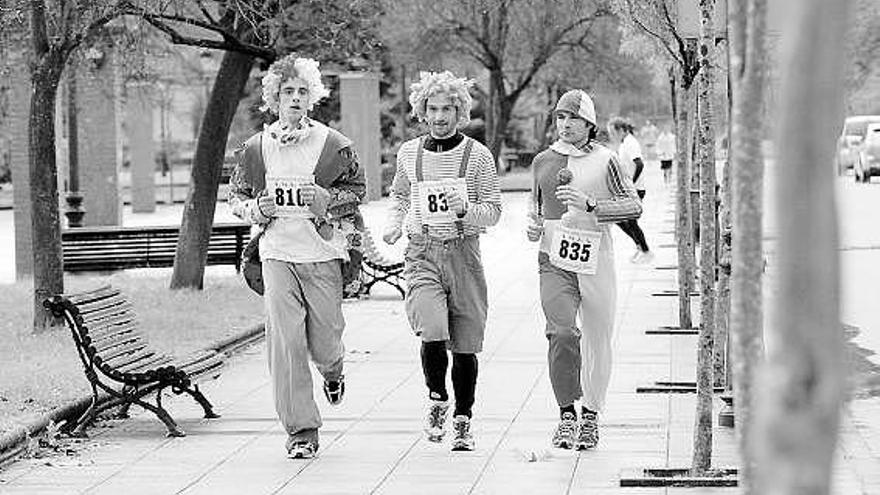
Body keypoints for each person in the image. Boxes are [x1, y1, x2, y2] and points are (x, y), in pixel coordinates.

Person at [228, 54, 366, 459]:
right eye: (287, 91)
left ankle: (333, 370)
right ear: (274, 98)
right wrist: (259, 209)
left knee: (324, 342)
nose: (294, 98)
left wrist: (324, 199)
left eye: (302, 91)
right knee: (286, 345)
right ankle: (302, 429)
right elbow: (236, 197)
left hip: (322, 255)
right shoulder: (257, 148)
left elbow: (357, 191)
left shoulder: (334, 145)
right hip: (277, 255)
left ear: (312, 98)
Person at [383, 71, 502, 452]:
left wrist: (467, 209)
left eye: (447, 109)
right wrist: (393, 225)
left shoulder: (478, 156)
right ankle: (437, 398)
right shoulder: (409, 153)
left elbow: (494, 211)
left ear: (459, 111)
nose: (439, 117)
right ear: (422, 110)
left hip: (464, 253)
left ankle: (463, 419)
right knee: (432, 328)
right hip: (422, 253)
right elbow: (400, 196)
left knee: (466, 344)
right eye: (432, 109)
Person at [526, 90, 642, 450]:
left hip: (595, 261)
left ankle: (591, 414)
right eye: (560, 118)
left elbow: (633, 205)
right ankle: (566, 415)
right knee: (561, 333)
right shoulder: (542, 161)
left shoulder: (607, 159)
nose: (565, 125)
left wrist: (592, 205)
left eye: (573, 119)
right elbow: (535, 206)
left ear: (589, 124)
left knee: (597, 340)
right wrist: (533, 227)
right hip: (553, 261)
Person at [608, 117, 653, 264]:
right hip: (628, 189)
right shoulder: (624, 143)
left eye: (613, 132)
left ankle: (645, 251)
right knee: (620, 218)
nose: (611, 136)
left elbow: (639, 164)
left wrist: (631, 184)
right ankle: (641, 247)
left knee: (630, 221)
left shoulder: (630, 143)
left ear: (621, 130)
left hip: (635, 189)